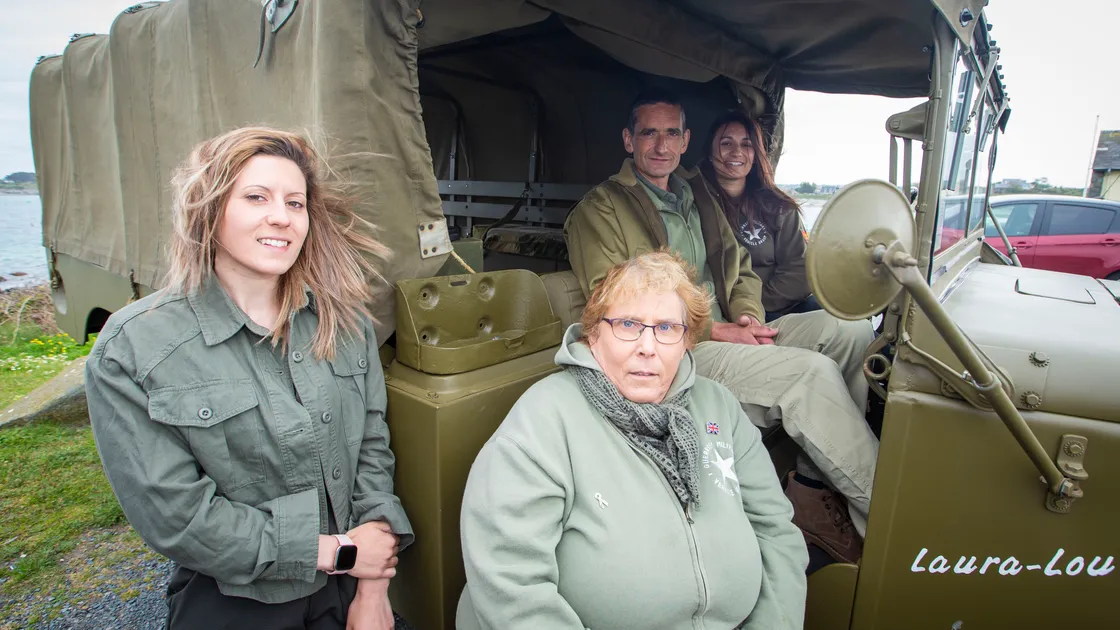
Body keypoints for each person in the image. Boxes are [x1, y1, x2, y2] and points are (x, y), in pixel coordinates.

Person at [84, 127, 413, 630]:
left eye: (295, 203)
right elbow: (177, 516)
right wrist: (338, 552)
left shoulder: (343, 322)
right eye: (256, 197)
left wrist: (372, 591)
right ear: (209, 209)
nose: (281, 216)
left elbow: (371, 449)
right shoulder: (134, 348)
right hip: (236, 599)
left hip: (348, 590)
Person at [563, 88, 878, 564]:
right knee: (810, 375)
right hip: (676, 350)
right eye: (649, 133)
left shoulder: (694, 194)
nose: (661, 145)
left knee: (848, 331)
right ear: (629, 140)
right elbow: (620, 304)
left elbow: (740, 268)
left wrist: (749, 316)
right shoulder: (602, 208)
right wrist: (713, 328)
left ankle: (815, 487)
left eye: (672, 133)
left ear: (686, 140)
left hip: (730, 327)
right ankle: (891, 521)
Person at [456, 251, 809, 630]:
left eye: (667, 328)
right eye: (628, 324)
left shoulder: (718, 406)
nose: (648, 346)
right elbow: (511, 585)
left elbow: (776, 531)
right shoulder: (543, 421)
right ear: (594, 333)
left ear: (687, 340)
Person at [698, 109, 820, 322]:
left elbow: (799, 272)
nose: (737, 152)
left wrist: (750, 306)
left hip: (775, 310)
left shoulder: (779, 208)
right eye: (726, 143)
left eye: (746, 145)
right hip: (717, 313)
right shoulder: (694, 202)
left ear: (755, 155)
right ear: (710, 151)